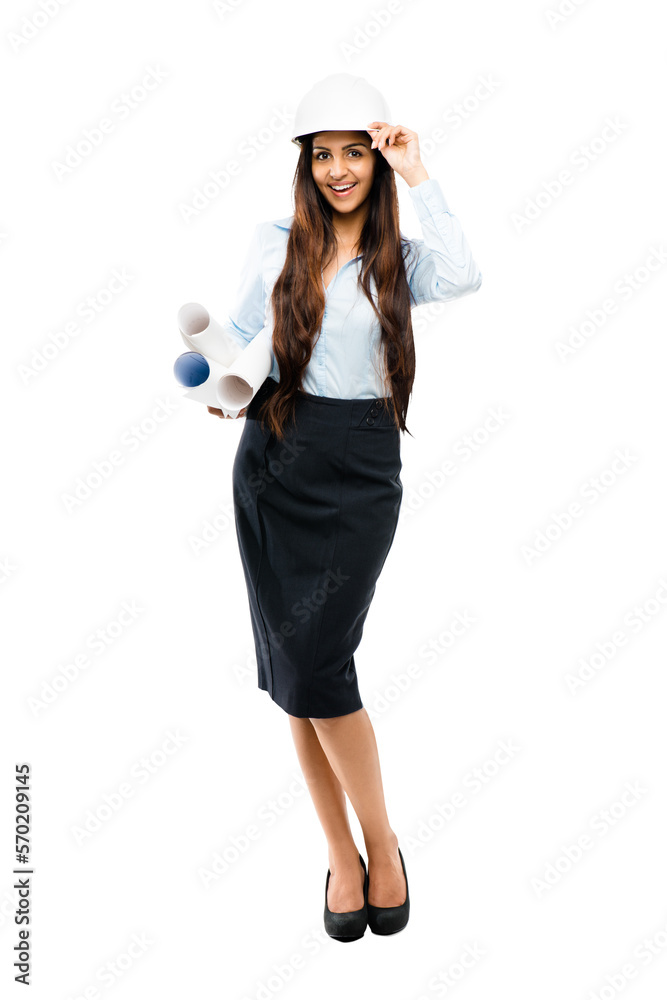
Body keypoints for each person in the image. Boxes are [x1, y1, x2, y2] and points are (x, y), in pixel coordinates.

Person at [207, 74, 482, 940]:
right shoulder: (274, 240)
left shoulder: (401, 255)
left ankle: (383, 845)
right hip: (274, 456)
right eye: (321, 154)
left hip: (361, 462)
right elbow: (243, 335)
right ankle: (339, 855)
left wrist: (418, 169)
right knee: (298, 675)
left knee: (324, 663)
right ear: (304, 164)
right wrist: (222, 384)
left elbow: (466, 276)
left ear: (375, 156)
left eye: (353, 152)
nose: (337, 169)